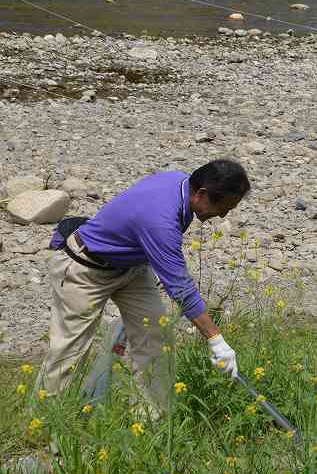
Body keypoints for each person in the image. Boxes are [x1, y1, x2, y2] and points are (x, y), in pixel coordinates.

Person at [38, 159, 251, 409]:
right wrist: (216, 340)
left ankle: (152, 418)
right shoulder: (160, 219)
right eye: (222, 208)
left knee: (155, 337)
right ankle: (45, 421)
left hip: (131, 267)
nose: (223, 215)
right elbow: (180, 287)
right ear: (201, 194)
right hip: (85, 268)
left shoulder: (181, 183)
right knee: (68, 353)